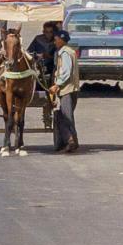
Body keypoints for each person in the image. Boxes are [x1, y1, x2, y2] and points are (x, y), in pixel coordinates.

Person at [47, 25, 81, 155]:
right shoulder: (68, 51)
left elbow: (66, 72)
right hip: (71, 89)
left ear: (61, 40)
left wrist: (57, 85)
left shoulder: (65, 53)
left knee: (64, 117)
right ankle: (73, 141)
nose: (54, 41)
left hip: (67, 89)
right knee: (66, 116)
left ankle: (70, 140)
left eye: (56, 39)